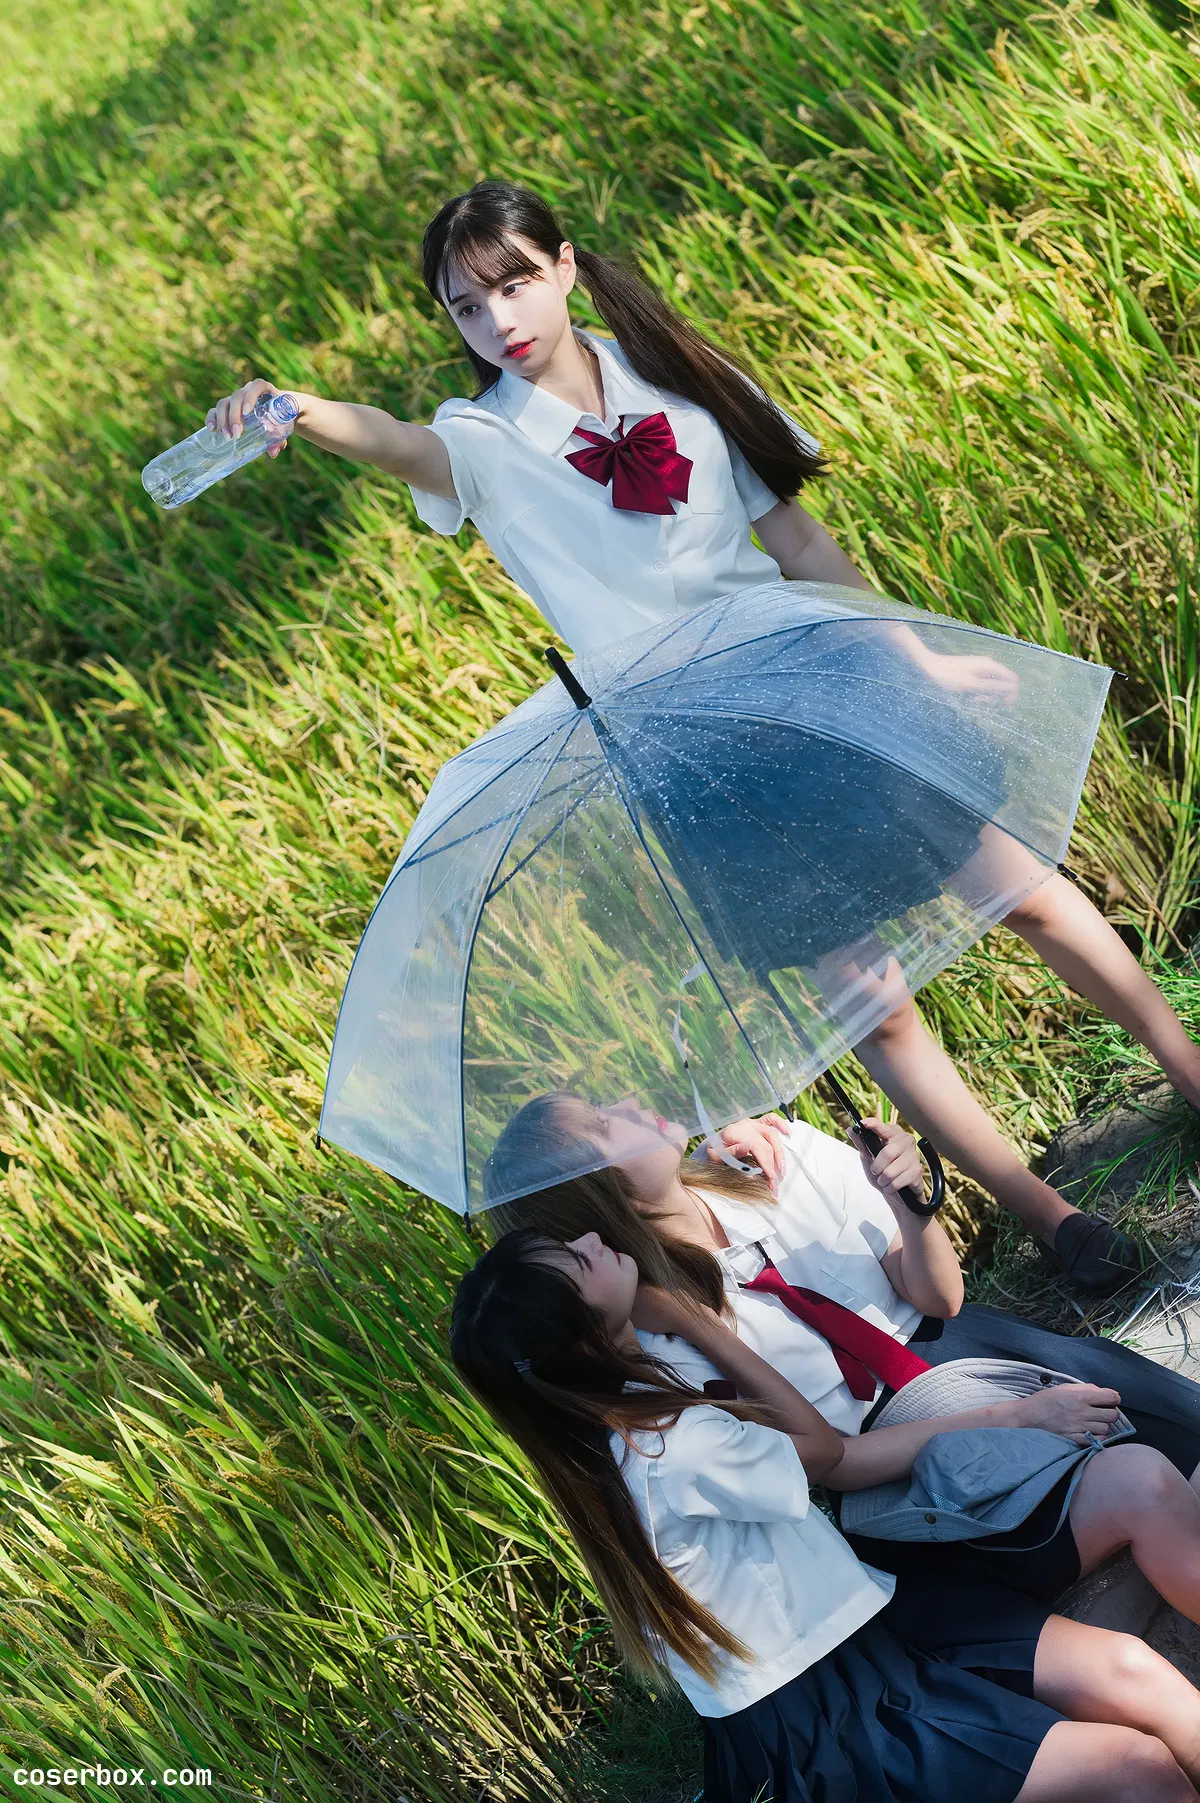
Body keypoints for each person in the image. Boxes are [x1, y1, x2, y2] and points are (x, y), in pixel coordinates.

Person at [203, 177, 1200, 1286]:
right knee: (874, 1005)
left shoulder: (681, 376)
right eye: (467, 308)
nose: (498, 322)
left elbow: (798, 542)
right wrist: (297, 409)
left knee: (1025, 890)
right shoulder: (481, 441)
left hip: (810, 678)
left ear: (565, 265)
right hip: (688, 756)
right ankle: (1053, 1220)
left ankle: (1190, 1074)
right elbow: (397, 443)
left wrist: (917, 654)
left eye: (514, 285)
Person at [451, 1224, 1200, 1801]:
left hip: (870, 1622)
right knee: (1136, 1770)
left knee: (1132, 1671)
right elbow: (822, 1449)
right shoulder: (668, 1444)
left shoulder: (610, 1425)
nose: (591, 1237)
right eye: (577, 1260)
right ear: (586, 1340)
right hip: (827, 1706)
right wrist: (696, 1322)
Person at [484, 1094, 1200, 1623]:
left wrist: (909, 1202)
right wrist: (1018, 1418)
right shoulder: (662, 1338)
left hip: (975, 1351)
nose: (627, 1101)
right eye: (603, 1122)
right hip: (905, 1463)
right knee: (1144, 1485)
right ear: (596, 1191)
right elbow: (837, 1463)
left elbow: (940, 1299)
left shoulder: (775, 1158)